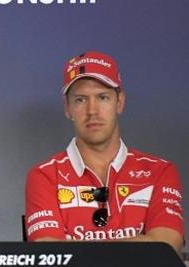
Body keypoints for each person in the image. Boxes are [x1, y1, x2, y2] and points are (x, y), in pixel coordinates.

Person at [25, 51, 184, 254]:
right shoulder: (44, 176)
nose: (92, 110)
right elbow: (48, 253)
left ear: (119, 102)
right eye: (81, 100)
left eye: (102, 97)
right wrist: (142, 244)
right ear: (67, 108)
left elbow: (166, 248)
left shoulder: (160, 171)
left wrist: (77, 251)